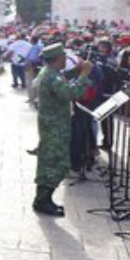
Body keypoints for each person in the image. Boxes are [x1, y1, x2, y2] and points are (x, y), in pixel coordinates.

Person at [32, 43, 93, 216]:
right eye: (64, 56)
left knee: (49, 161)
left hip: (53, 125)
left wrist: (77, 71)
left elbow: (62, 79)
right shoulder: (52, 77)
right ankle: (43, 200)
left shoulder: (50, 72)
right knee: (56, 163)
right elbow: (70, 93)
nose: (67, 59)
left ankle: (43, 199)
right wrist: (84, 74)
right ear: (58, 58)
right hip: (55, 127)